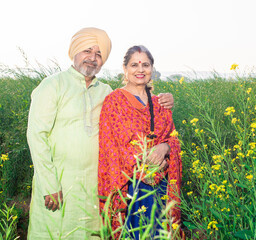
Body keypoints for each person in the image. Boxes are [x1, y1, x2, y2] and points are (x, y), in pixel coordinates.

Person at [27, 28, 174, 240]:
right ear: (74, 52)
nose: (93, 58)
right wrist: (49, 184)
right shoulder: (52, 86)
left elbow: (135, 102)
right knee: (54, 232)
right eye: (87, 51)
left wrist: (165, 98)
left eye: (99, 54)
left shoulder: (105, 92)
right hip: (59, 181)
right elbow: (36, 136)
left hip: (95, 184)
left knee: (90, 232)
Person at [98, 45, 182, 239]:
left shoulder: (160, 104)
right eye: (134, 65)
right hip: (131, 186)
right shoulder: (114, 102)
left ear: (152, 68)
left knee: (159, 232)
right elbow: (112, 147)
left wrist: (165, 147)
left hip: (161, 184)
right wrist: (145, 167)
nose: (140, 69)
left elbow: (173, 137)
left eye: (145, 64)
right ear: (125, 69)